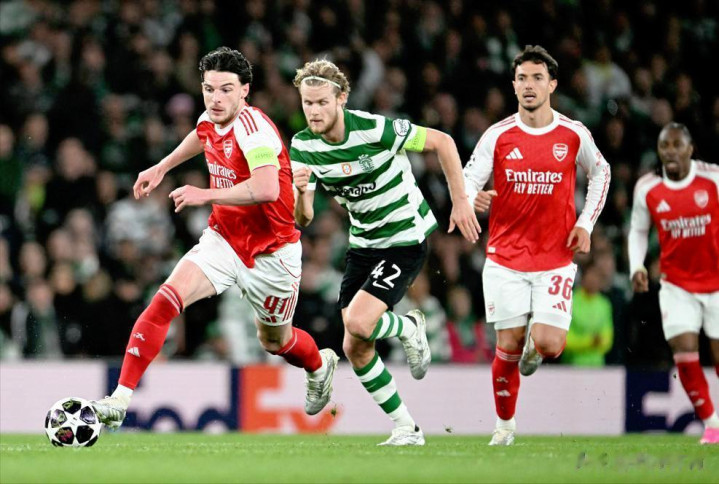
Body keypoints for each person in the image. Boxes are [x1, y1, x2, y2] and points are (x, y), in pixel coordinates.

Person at [91, 47, 338, 428]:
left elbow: (267, 189)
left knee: (276, 341)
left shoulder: (254, 130)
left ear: (245, 91)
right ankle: (119, 400)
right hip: (224, 239)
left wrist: (204, 194)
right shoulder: (212, 116)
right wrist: (162, 167)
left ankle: (319, 365)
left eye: (226, 90)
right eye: (209, 89)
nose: (216, 99)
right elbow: (201, 134)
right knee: (163, 302)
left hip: (272, 252)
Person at [291, 59, 481, 446]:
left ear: (341, 98)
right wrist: (299, 192)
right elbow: (304, 218)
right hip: (364, 243)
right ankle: (406, 428)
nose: (314, 111)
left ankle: (409, 328)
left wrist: (461, 201)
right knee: (354, 346)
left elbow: (443, 141)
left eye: (322, 102)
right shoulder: (303, 146)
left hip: (405, 237)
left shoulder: (374, 129)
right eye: (308, 103)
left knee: (360, 324)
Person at [463, 45, 611, 445]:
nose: (529, 85)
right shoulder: (497, 135)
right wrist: (470, 197)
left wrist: (585, 223)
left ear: (552, 85)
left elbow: (602, 172)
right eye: (522, 78)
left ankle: (536, 344)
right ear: (513, 85)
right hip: (505, 258)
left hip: (555, 258)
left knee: (550, 343)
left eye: (537, 78)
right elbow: (468, 178)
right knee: (507, 345)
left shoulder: (573, 133)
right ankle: (504, 426)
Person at [628, 122, 719, 445]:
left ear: (690, 150)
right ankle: (712, 425)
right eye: (664, 145)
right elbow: (638, 230)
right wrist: (637, 266)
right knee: (683, 348)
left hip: (716, 283)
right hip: (677, 284)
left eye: (677, 145)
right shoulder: (647, 188)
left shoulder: (712, 178)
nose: (670, 152)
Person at [563, 259, 614, 366]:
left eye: (597, 277)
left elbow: (608, 340)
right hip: (571, 365)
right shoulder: (569, 300)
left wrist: (597, 342)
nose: (593, 280)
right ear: (583, 278)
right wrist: (590, 342)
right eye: (591, 276)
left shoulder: (604, 304)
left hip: (597, 366)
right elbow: (564, 339)